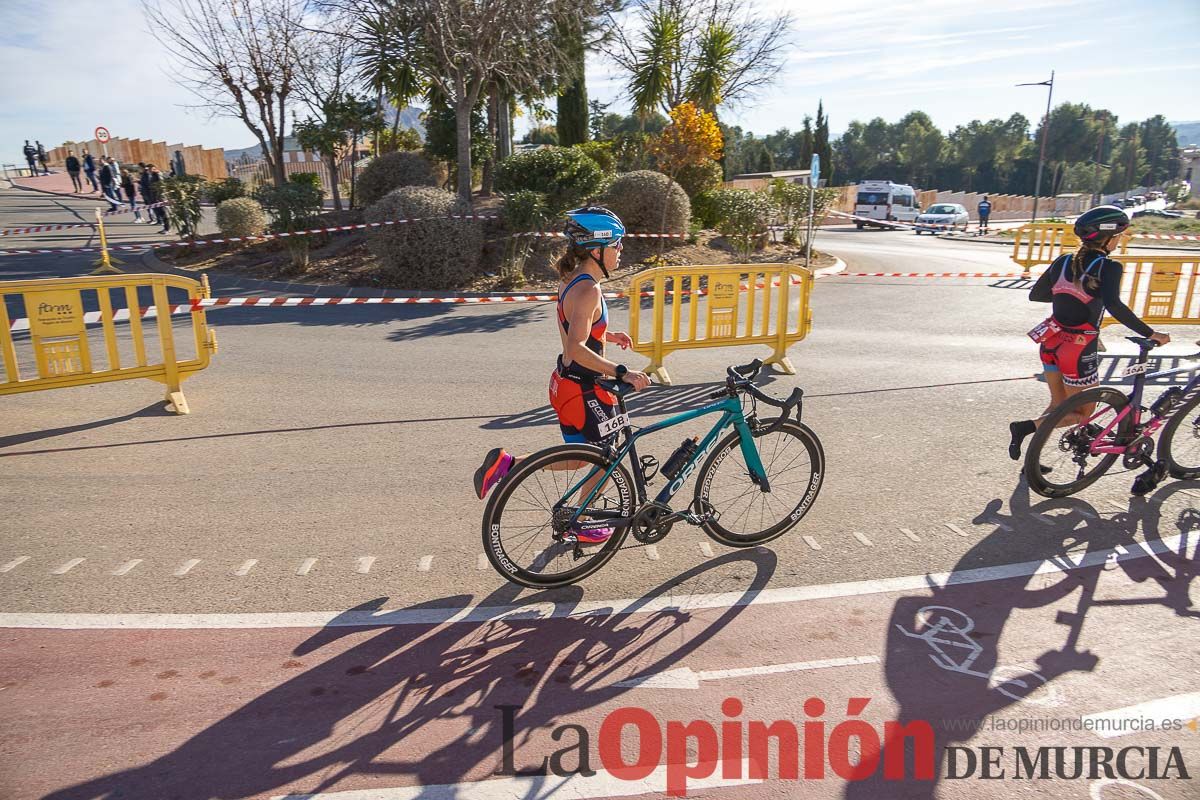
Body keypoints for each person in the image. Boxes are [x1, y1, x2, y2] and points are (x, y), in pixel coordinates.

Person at [473, 206, 651, 543]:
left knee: (579, 459)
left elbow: (576, 325)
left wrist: (607, 335)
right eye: (616, 244)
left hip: (566, 385)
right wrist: (623, 372)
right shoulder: (589, 290)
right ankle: (578, 521)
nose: (620, 250)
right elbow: (575, 348)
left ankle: (508, 465)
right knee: (602, 458)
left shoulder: (572, 279)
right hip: (583, 390)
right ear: (596, 248)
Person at [1008, 205, 1169, 489]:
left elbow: (1038, 294)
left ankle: (1030, 463)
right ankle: (1026, 427)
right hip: (1078, 349)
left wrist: (1070, 294)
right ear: (1108, 238)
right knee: (1080, 414)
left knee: (1059, 406)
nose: (1120, 240)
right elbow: (1115, 306)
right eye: (1119, 235)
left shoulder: (1063, 261)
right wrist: (1151, 333)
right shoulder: (1109, 267)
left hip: (1051, 342)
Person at [142, 163, 169, 232]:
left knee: (163, 213)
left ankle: (167, 228)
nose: (148, 171)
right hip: (153, 197)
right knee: (159, 213)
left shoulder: (157, 174)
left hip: (159, 197)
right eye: (148, 169)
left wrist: (159, 197)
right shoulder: (151, 175)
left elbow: (161, 186)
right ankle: (165, 227)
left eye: (150, 169)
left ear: (153, 168)